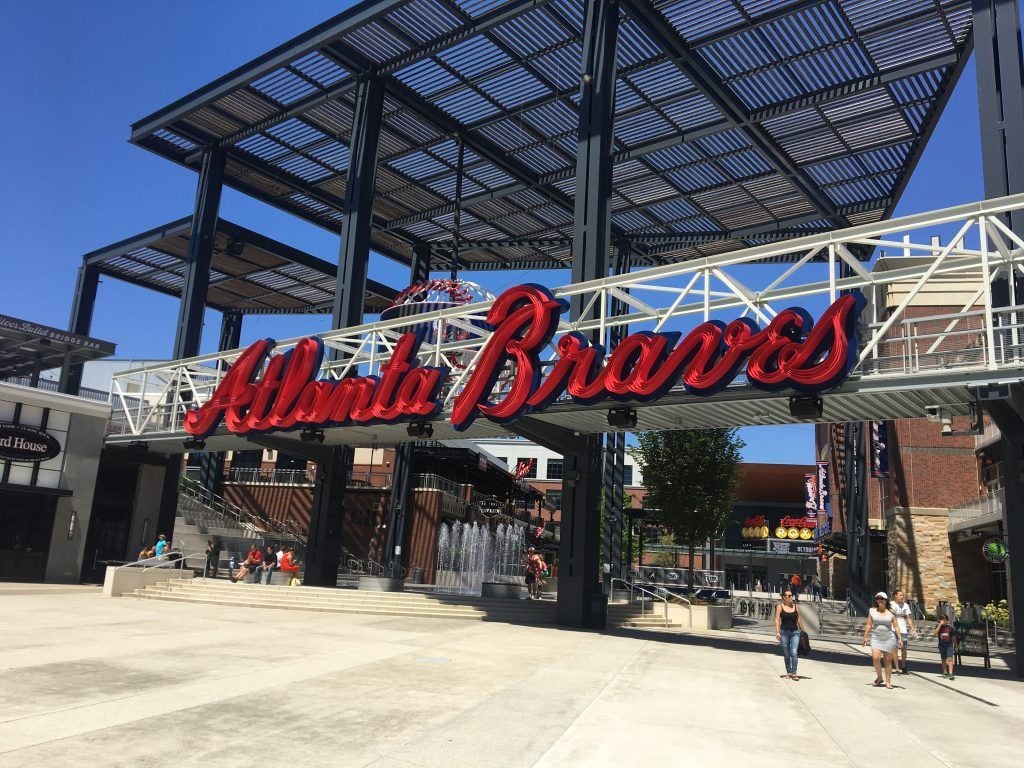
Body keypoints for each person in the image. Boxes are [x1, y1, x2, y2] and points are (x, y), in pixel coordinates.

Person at [862, 591, 902, 688]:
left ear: (885, 600)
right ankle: (879, 677)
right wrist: (865, 637)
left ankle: (888, 682)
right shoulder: (872, 611)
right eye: (878, 599)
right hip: (876, 638)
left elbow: (896, 626)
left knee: (887, 661)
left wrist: (900, 638)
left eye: (881, 599)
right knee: (875, 658)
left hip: (889, 639)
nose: (879, 600)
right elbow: (869, 624)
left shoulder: (891, 613)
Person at [774, 589, 805, 680]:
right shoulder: (780, 607)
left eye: (791, 595)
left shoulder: (796, 606)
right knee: (787, 653)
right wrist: (777, 632)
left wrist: (803, 632)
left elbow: (799, 619)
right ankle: (788, 672)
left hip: (795, 632)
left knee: (794, 652)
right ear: (784, 597)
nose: (791, 597)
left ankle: (794, 673)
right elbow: (776, 620)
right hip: (784, 633)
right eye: (789, 596)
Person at [890, 589, 917, 674]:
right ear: (895, 596)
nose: (902, 597)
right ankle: (897, 667)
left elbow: (908, 617)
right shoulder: (891, 604)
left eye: (903, 595)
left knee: (904, 648)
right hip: (893, 628)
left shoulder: (905, 605)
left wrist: (912, 628)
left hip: (902, 628)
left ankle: (903, 665)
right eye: (900, 595)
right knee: (894, 648)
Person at [932, 613, 956, 680]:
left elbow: (954, 638)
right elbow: (934, 634)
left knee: (950, 658)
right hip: (942, 645)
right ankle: (945, 672)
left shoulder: (950, 628)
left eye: (945, 620)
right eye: (942, 620)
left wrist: (956, 646)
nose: (943, 621)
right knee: (943, 659)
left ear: (947, 620)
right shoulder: (938, 627)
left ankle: (951, 673)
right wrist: (940, 624)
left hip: (949, 645)